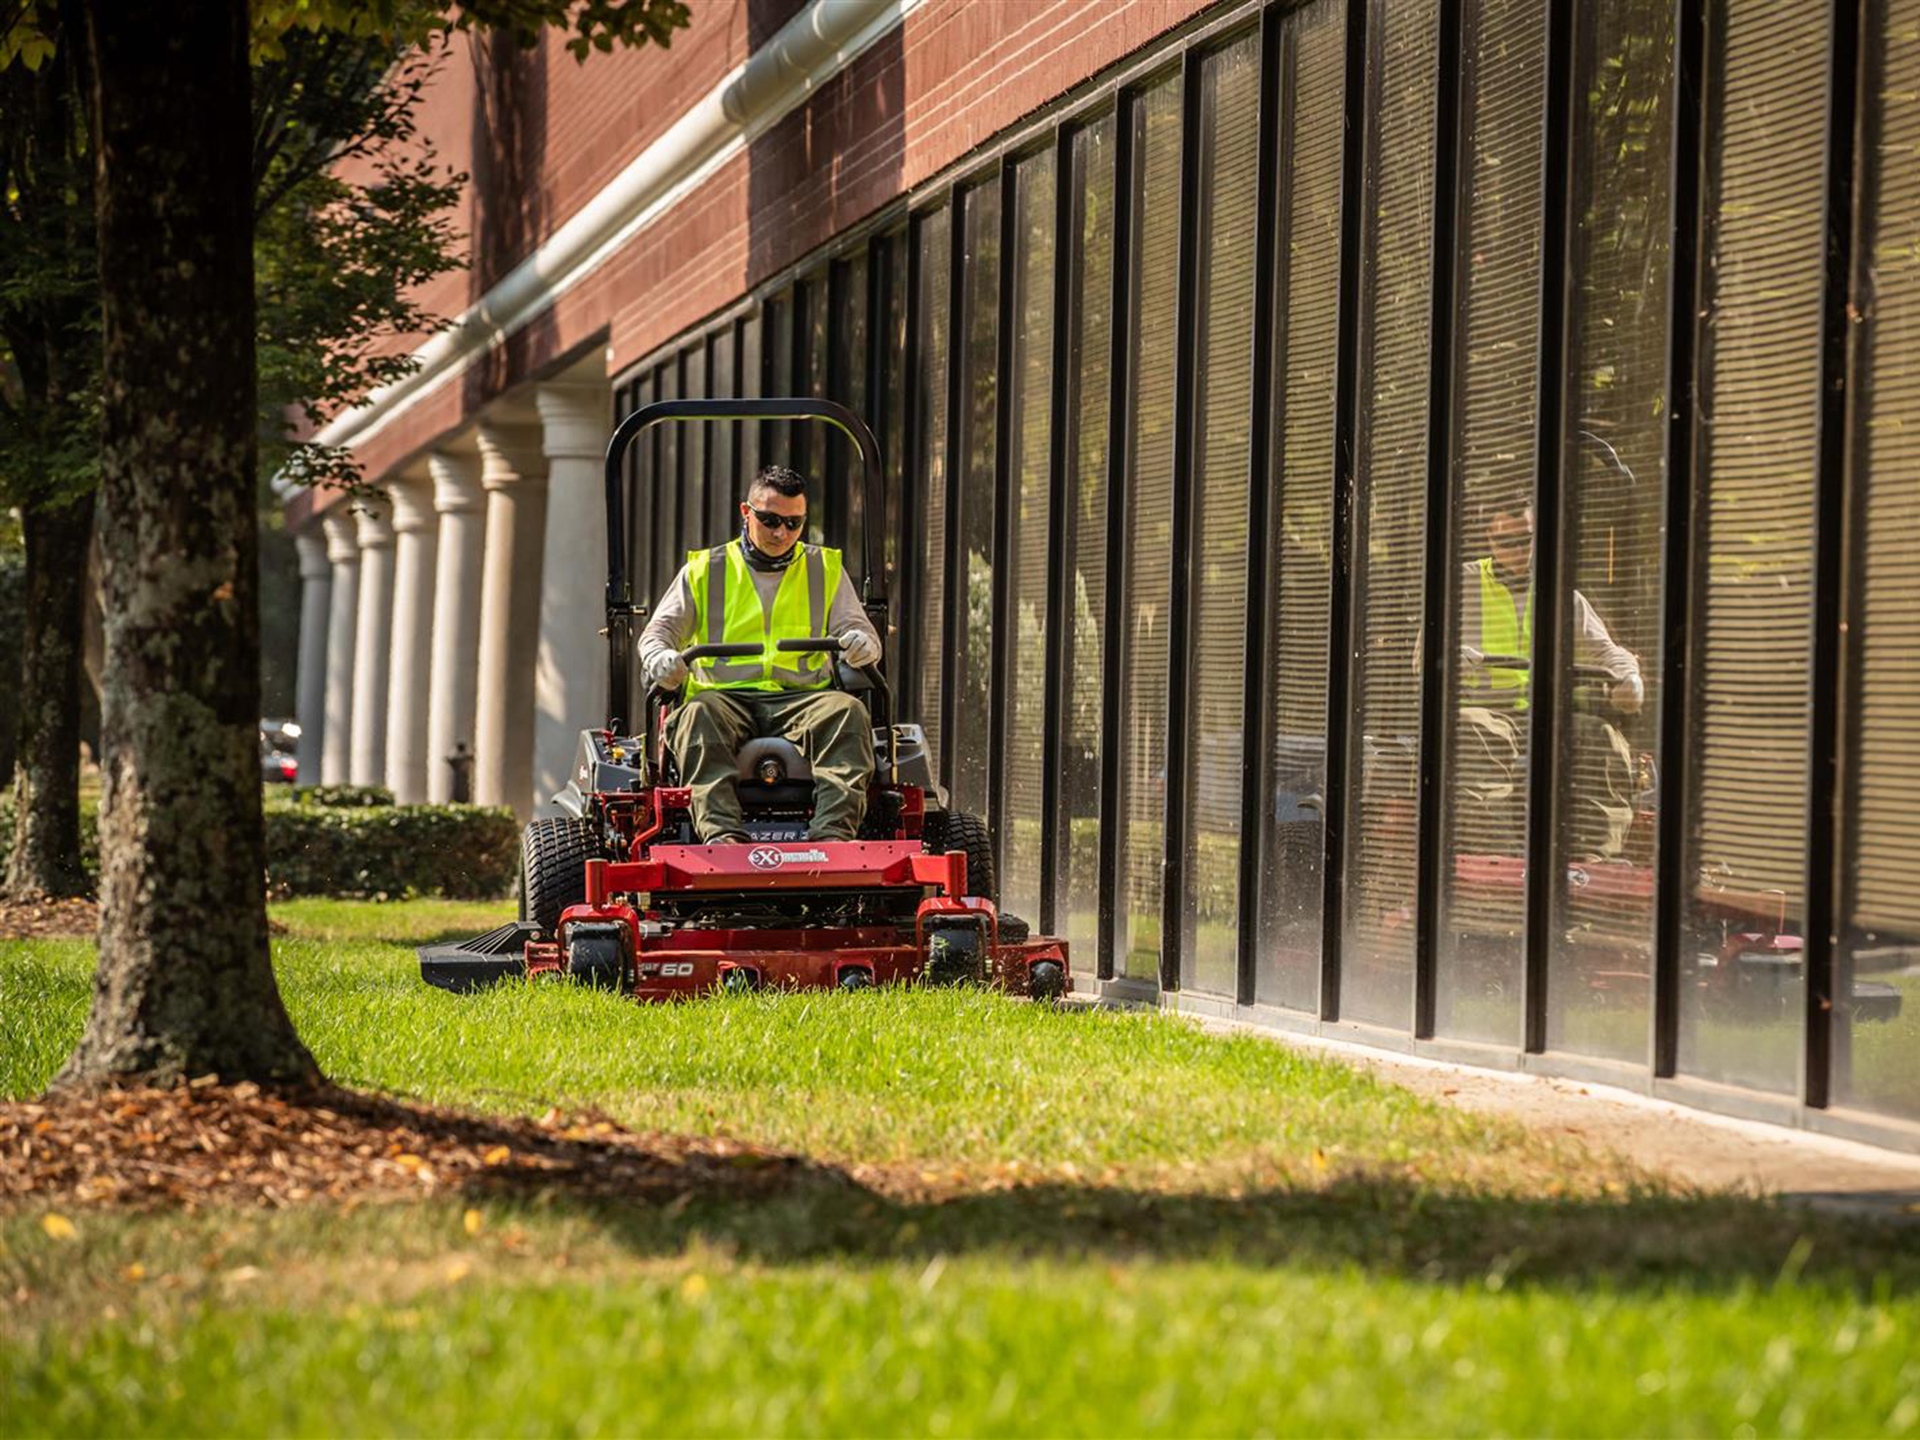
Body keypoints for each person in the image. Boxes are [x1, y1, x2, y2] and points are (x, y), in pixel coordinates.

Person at [638, 464, 883, 844]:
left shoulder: (825, 569)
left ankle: (831, 839)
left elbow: (861, 631)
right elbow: (657, 634)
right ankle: (722, 838)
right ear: (745, 512)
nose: (781, 532)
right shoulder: (705, 570)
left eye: (793, 523)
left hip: (803, 698)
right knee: (697, 717)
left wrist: (862, 642)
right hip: (723, 699)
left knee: (848, 711)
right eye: (769, 520)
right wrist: (661, 659)